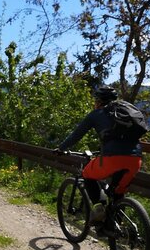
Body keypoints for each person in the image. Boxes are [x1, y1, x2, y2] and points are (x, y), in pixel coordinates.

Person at [55, 85, 143, 225]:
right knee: (117, 192)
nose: (95, 103)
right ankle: (115, 226)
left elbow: (76, 134)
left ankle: (98, 208)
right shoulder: (125, 112)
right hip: (136, 159)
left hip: (112, 158)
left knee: (87, 174)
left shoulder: (96, 114)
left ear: (100, 101)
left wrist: (61, 148)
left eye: (96, 100)